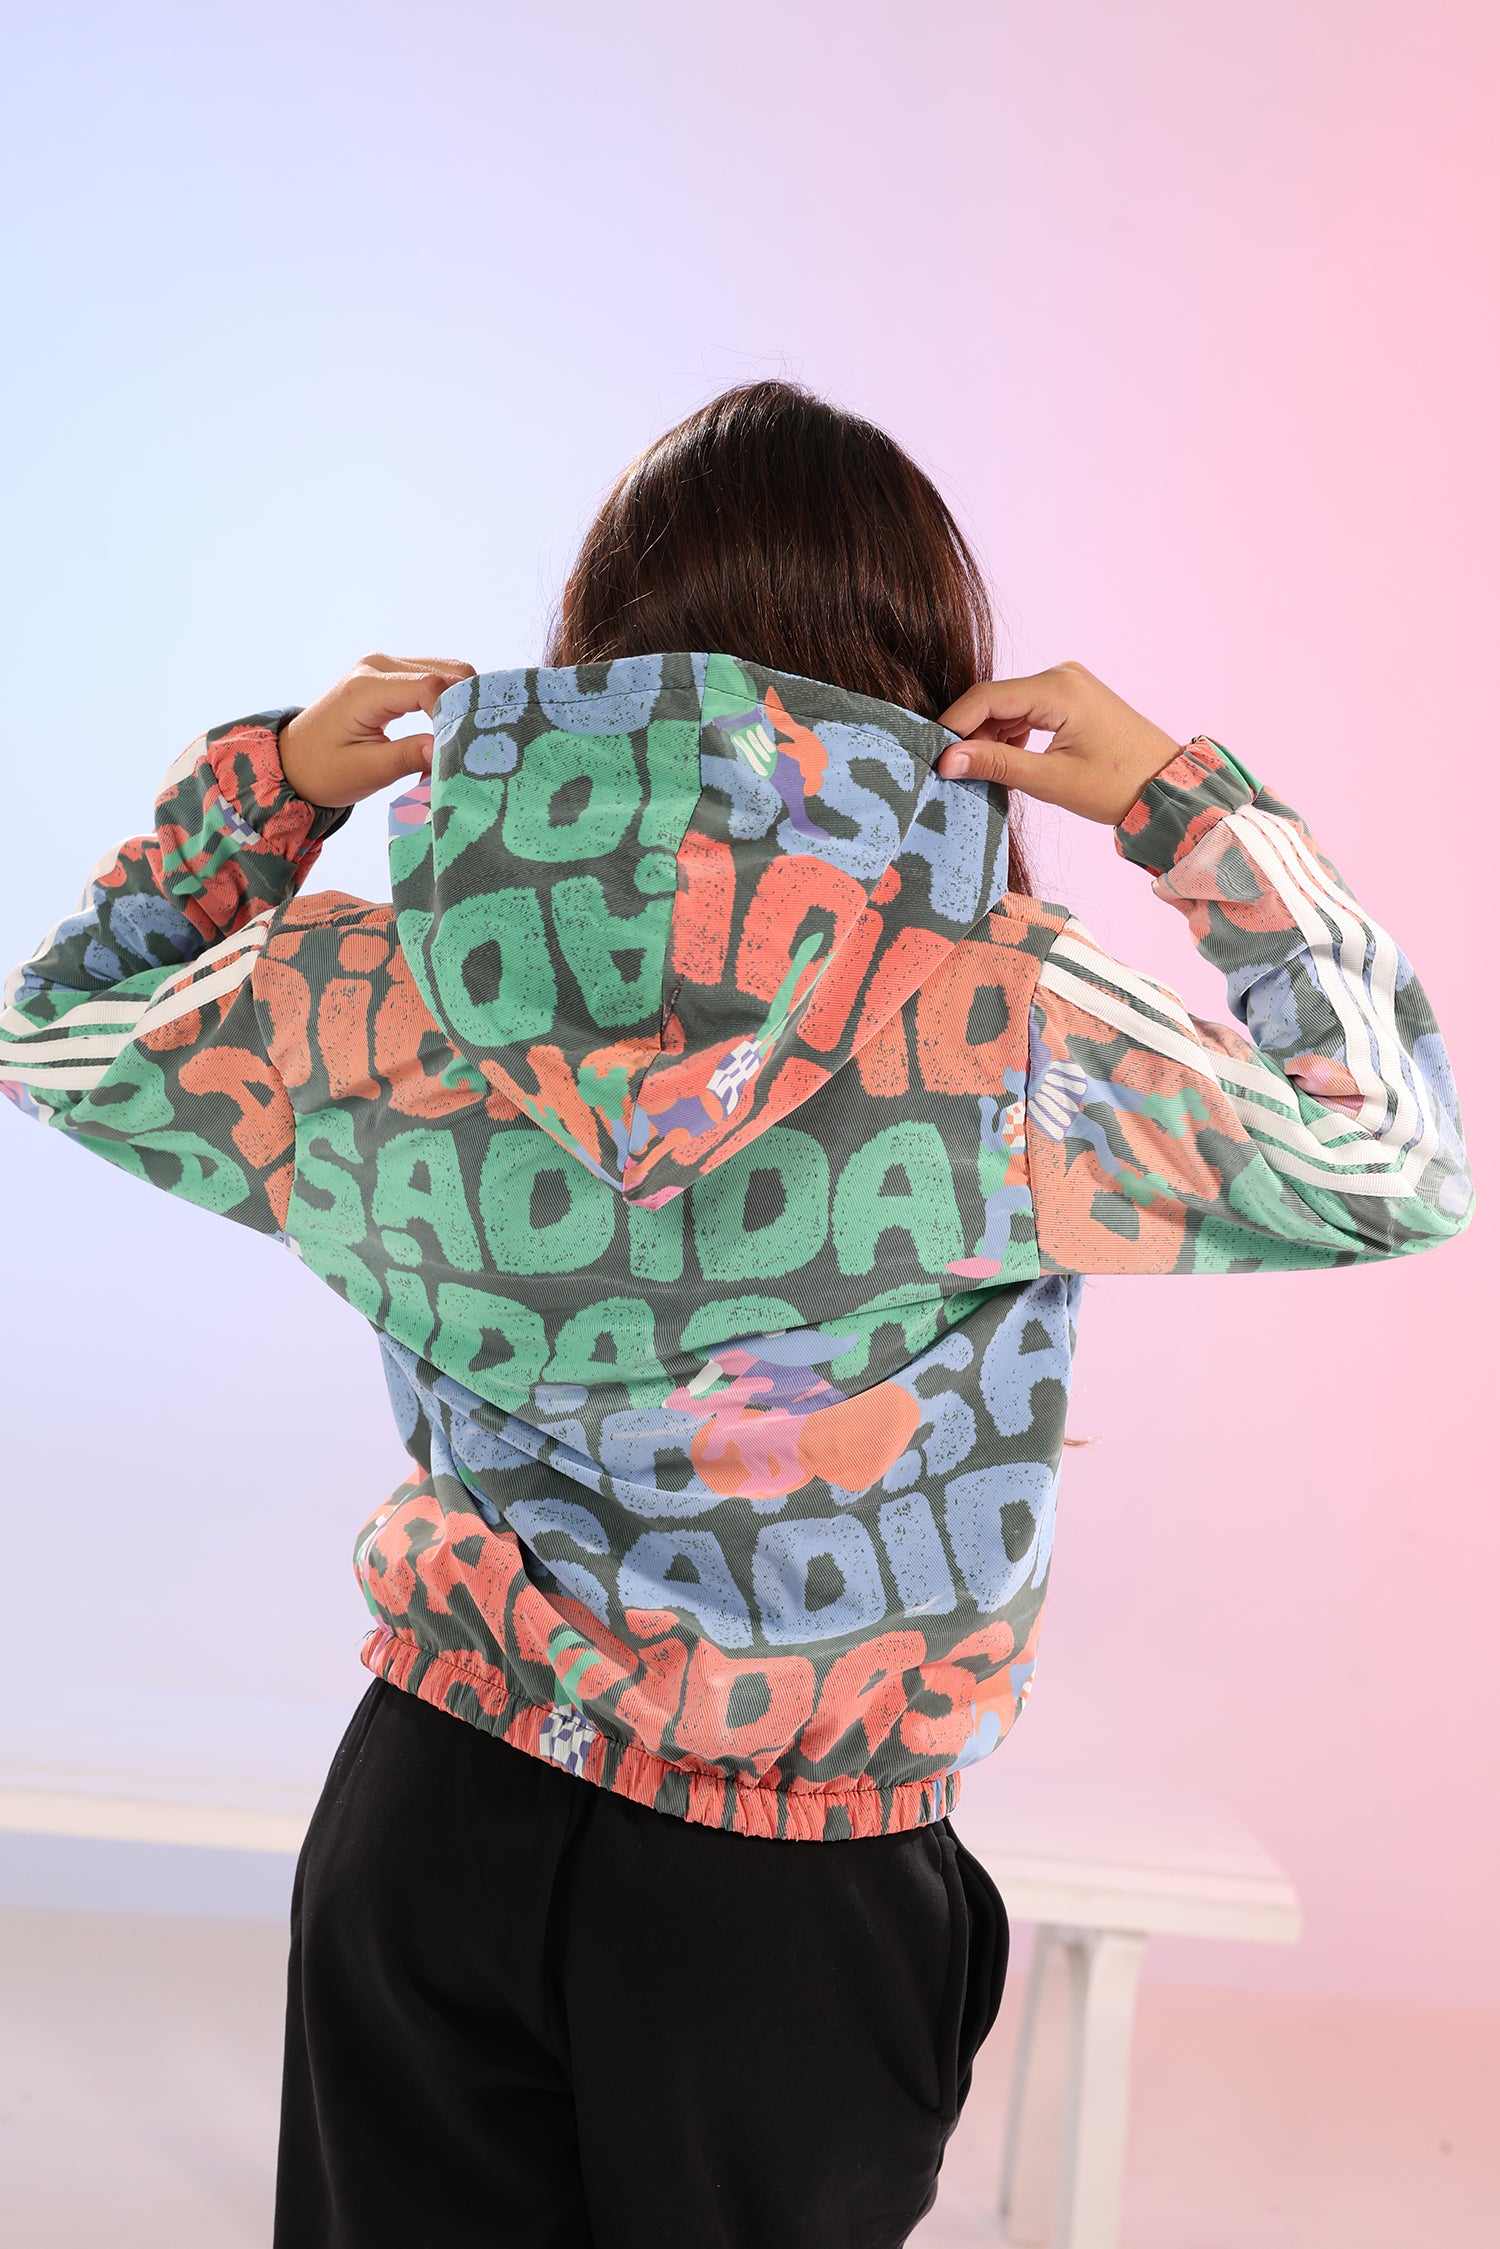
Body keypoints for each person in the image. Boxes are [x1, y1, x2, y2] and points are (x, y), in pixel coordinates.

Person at [0, 380, 1471, 2249]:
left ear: (593, 648)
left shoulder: (373, 991)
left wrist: (273, 786)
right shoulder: (1003, 1020)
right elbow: (1393, 1157)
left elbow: (54, 1030)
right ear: (926, 675)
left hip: (430, 1818)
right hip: (786, 1905)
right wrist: (1184, 804)